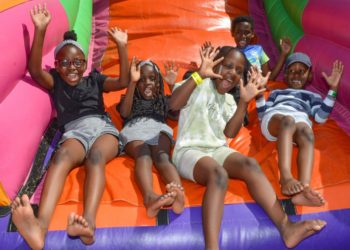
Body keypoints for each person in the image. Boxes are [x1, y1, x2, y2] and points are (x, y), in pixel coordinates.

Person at [169, 45, 326, 249]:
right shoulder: (198, 83)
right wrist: (199, 74)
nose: (232, 73)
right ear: (216, 63)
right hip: (189, 150)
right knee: (218, 175)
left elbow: (230, 133)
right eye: (228, 66)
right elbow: (173, 104)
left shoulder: (228, 100)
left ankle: (287, 227)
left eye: (238, 71)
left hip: (216, 149)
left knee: (250, 164)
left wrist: (243, 101)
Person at [10, 4, 129, 249]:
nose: (72, 68)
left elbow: (123, 81)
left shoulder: (95, 80)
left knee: (96, 157)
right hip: (74, 131)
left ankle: (89, 225)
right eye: (65, 63)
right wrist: (40, 30)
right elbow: (34, 69)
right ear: (56, 64)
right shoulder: (55, 82)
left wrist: (122, 47)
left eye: (77, 63)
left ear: (85, 63)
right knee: (62, 155)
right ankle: (39, 228)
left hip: (102, 129)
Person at [256, 52, 343, 206]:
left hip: (299, 120)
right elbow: (262, 115)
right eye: (292, 70)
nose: (296, 74)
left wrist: (333, 89)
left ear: (309, 75)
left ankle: (304, 189)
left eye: (301, 71)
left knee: (307, 132)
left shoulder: (312, 96)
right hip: (276, 118)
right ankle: (285, 177)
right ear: (286, 75)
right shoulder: (276, 93)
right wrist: (260, 94)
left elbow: (320, 117)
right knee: (288, 121)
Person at [118, 58, 184, 217]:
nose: (147, 83)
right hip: (134, 129)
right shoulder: (129, 99)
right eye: (142, 79)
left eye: (152, 79)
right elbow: (124, 113)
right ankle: (149, 197)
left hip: (158, 127)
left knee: (162, 156)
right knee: (144, 155)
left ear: (158, 82)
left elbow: (177, 112)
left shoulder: (163, 100)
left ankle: (178, 193)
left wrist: (172, 85)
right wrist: (132, 84)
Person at [231, 15, 292, 80]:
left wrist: (283, 54)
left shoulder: (258, 50)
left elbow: (269, 77)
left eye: (247, 32)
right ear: (233, 33)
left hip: (255, 87)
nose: (243, 36)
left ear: (252, 34)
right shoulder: (230, 54)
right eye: (238, 32)